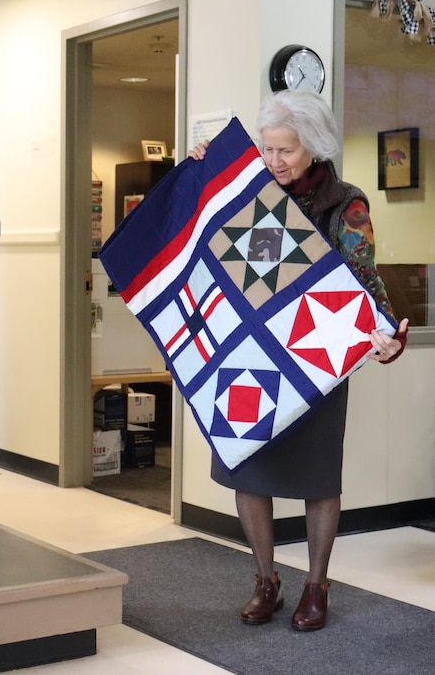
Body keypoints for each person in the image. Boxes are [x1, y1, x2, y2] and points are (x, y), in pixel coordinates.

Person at [188, 89, 409, 632]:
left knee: (317, 478)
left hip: (315, 361)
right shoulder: (252, 190)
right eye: (267, 149)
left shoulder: (346, 203)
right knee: (250, 469)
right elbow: (202, 237)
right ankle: (266, 581)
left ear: (313, 147)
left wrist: (386, 335)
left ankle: (316, 585)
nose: (274, 161)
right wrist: (200, 171)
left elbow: (363, 282)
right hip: (252, 358)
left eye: (286, 151)